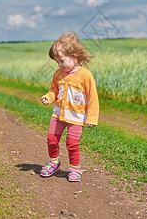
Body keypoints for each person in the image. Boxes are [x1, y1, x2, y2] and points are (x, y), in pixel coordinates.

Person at [40, 31, 99, 182]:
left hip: (76, 117)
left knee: (72, 144)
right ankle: (54, 162)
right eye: (57, 62)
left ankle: (74, 168)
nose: (59, 65)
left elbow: (93, 98)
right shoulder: (58, 74)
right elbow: (54, 90)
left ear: (74, 56)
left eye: (62, 61)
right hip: (58, 114)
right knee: (51, 139)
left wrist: (92, 118)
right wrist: (48, 97)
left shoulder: (85, 75)